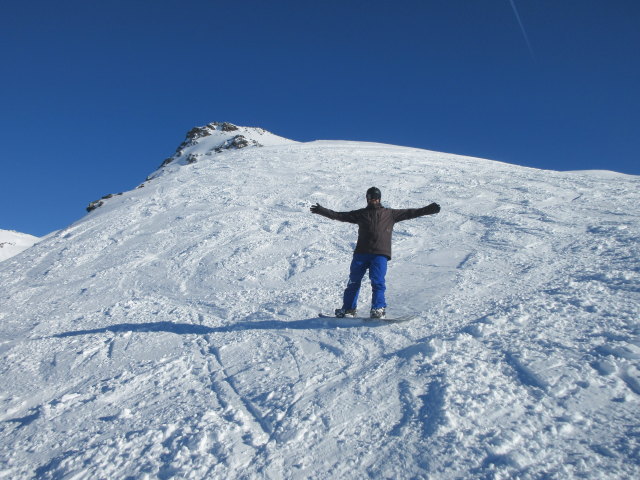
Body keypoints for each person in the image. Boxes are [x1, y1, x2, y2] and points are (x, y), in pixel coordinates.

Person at [310, 187, 440, 319]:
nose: (374, 200)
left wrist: (429, 209)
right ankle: (348, 309)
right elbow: (339, 215)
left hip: (380, 254)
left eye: (376, 198)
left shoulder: (390, 214)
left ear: (380, 199)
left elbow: (411, 213)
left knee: (377, 282)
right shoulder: (361, 214)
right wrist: (322, 211)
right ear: (367, 199)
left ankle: (378, 309)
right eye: (372, 198)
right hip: (361, 253)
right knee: (353, 281)